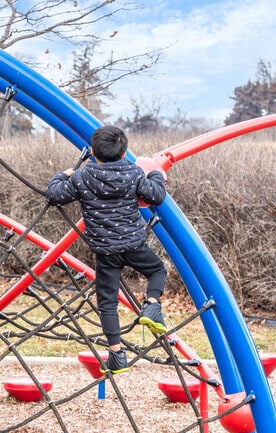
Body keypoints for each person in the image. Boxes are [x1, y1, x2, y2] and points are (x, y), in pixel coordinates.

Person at [45, 125, 168, 374]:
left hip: (105, 251)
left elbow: (54, 194)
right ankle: (151, 305)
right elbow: (156, 196)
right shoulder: (133, 174)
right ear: (124, 154)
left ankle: (116, 354)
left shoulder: (82, 178)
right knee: (157, 271)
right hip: (133, 244)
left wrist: (64, 174)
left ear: (92, 152)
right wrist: (155, 174)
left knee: (107, 303)